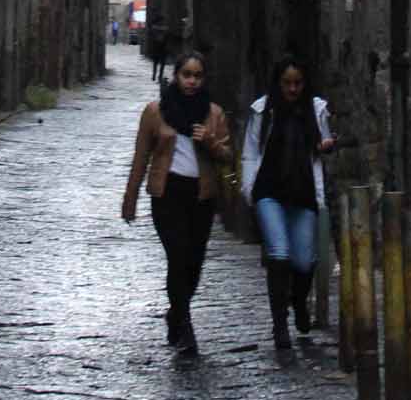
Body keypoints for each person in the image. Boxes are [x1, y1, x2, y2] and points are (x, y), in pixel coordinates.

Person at [121, 50, 232, 358]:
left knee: (194, 262)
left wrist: (209, 140)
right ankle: (185, 326)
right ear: (176, 76)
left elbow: (226, 155)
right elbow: (141, 157)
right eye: (187, 75)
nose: (192, 81)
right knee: (178, 256)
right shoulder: (156, 112)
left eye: (198, 76)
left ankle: (175, 312)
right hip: (167, 193)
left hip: (201, 195)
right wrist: (129, 199)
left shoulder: (214, 114)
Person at [240, 55, 336, 353]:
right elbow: (250, 152)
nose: (292, 89)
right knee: (279, 254)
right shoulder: (263, 111)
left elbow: (323, 146)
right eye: (287, 83)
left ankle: (298, 302)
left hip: (303, 193)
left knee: (305, 260)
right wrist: (249, 190)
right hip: (270, 191)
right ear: (278, 83)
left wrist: (325, 146)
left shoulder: (316, 111)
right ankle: (280, 324)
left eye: (297, 83)